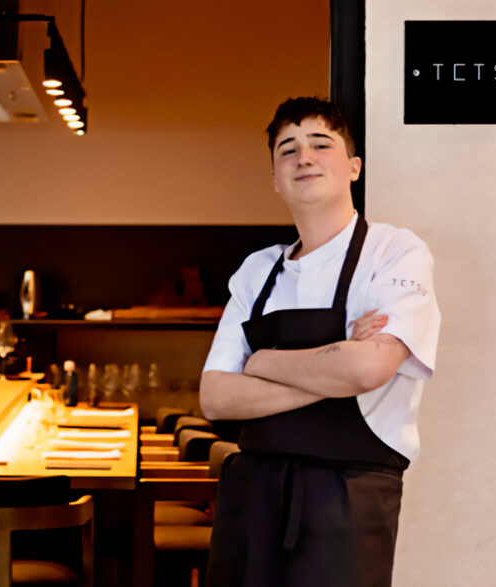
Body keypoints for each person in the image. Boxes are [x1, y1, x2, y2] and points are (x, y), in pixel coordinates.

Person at [199, 97, 440, 587]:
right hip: (254, 495)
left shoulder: (395, 252)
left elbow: (367, 372)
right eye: (288, 149)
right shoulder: (258, 270)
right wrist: (338, 365)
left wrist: (260, 361)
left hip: (351, 497)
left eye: (320, 144)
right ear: (274, 178)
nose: (303, 157)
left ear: (353, 166)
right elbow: (215, 398)